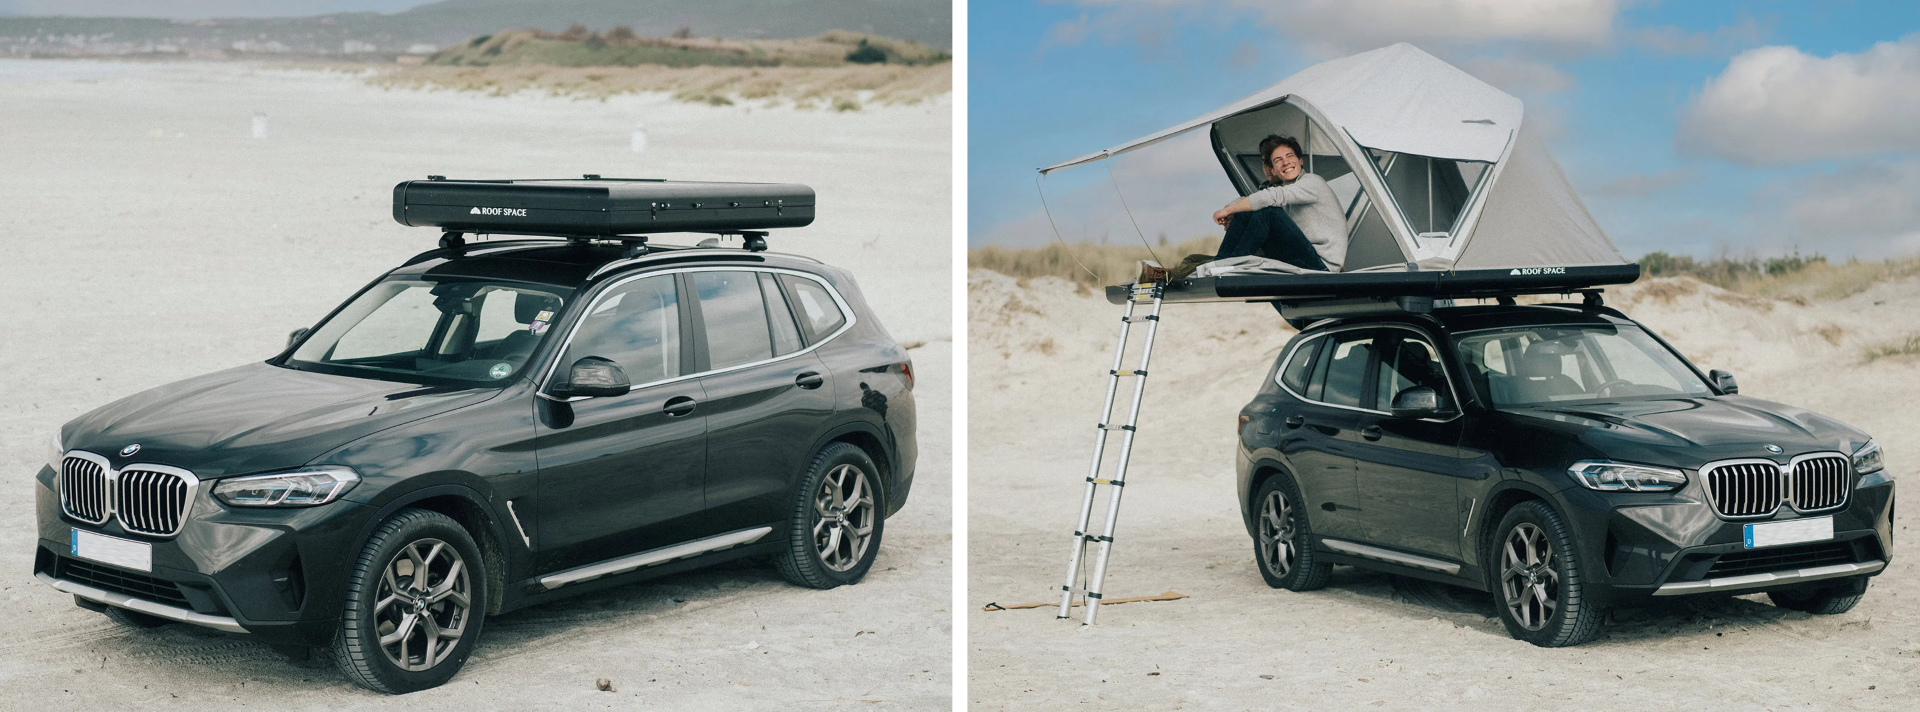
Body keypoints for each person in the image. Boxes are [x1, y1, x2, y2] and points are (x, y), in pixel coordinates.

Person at [1169, 135, 1347, 279]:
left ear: (1301, 161)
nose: (1285, 163)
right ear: (1274, 170)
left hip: (1321, 266)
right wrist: (1233, 210)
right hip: (1302, 257)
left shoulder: (1312, 182)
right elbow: (1253, 198)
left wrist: (1229, 210)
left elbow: (1271, 198)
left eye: (1290, 156)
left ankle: (1225, 267)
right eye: (1278, 160)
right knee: (1248, 211)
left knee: (1267, 211)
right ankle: (1221, 265)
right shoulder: (1286, 189)